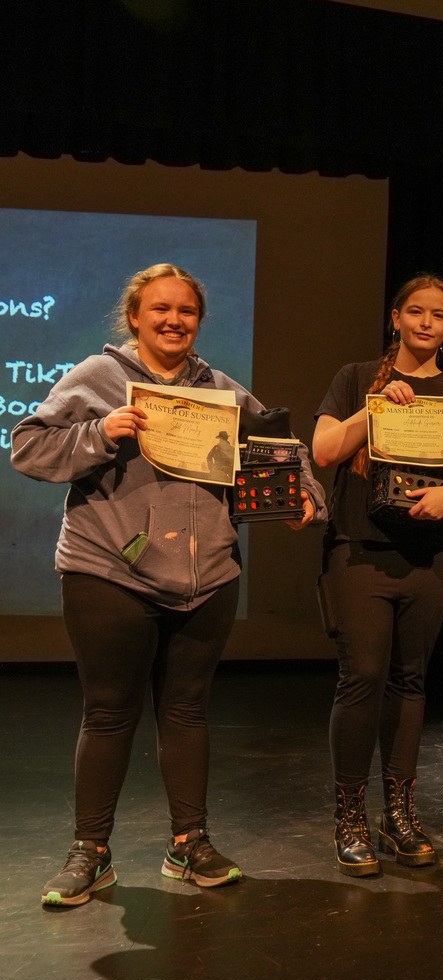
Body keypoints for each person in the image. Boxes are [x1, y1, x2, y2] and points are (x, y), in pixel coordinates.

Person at [11, 263, 326, 906]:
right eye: (160, 309)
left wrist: (305, 498)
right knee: (108, 713)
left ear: (199, 320)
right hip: (108, 569)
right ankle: (91, 854)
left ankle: (190, 845)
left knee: (186, 711)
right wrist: (101, 433)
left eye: (186, 311)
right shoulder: (99, 378)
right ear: (134, 316)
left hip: (206, 575)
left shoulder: (224, 391)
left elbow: (283, 450)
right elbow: (28, 446)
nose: (173, 320)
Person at [313, 274, 443, 877]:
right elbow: (322, 452)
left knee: (410, 679)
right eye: (416, 312)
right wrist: (375, 412)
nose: (426, 323)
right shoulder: (355, 379)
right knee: (362, 676)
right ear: (396, 317)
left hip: (431, 555)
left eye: (439, 315)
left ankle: (399, 813)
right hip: (361, 552)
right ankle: (350, 816)